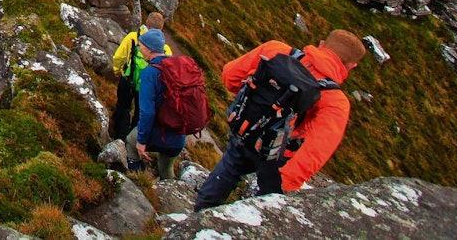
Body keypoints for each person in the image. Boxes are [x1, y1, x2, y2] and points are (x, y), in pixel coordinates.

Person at [194, 29, 367, 210]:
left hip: (248, 128)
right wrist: (288, 183)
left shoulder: (276, 49)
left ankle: (200, 216)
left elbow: (230, 76)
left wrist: (257, 104)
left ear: (322, 44)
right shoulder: (335, 101)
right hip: (279, 155)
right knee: (264, 209)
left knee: (229, 169)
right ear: (351, 66)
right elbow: (316, 150)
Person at [129, 28, 185, 179]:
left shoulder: (149, 73)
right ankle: (170, 192)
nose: (140, 49)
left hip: (160, 133)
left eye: (141, 46)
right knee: (166, 167)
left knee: (130, 142)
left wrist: (141, 141)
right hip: (179, 137)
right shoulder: (175, 66)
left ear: (148, 49)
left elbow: (147, 112)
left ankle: (138, 181)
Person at [110, 12, 172, 148]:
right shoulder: (165, 49)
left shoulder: (133, 37)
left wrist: (117, 70)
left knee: (123, 106)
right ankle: (132, 141)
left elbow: (119, 56)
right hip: (147, 88)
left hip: (128, 79)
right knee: (140, 112)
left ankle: (118, 137)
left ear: (146, 24)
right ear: (161, 29)